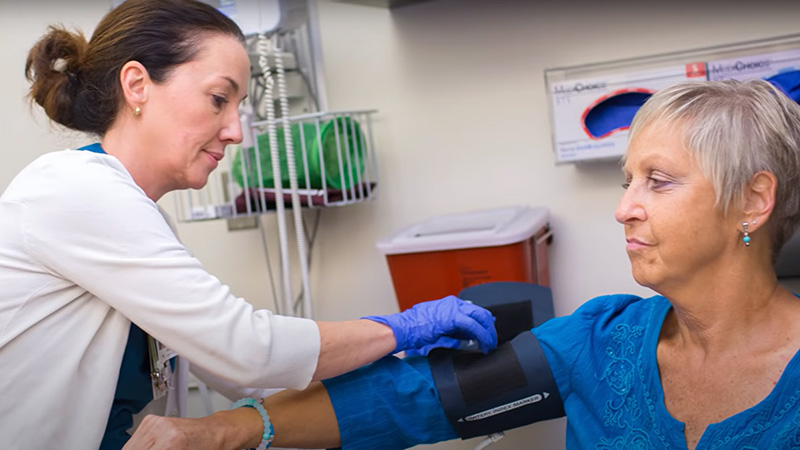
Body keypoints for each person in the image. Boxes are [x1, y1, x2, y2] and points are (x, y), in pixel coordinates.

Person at [124, 77, 800, 450]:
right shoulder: (605, 340)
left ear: (752, 201)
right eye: (625, 181)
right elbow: (414, 397)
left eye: (658, 181)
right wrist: (225, 428)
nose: (624, 209)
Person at [0, 1, 498, 449]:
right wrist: (399, 329)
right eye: (219, 98)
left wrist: (389, 358)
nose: (237, 131)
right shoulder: (73, 189)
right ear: (137, 85)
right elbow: (246, 350)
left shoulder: (134, 213)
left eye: (239, 107)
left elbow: (247, 378)